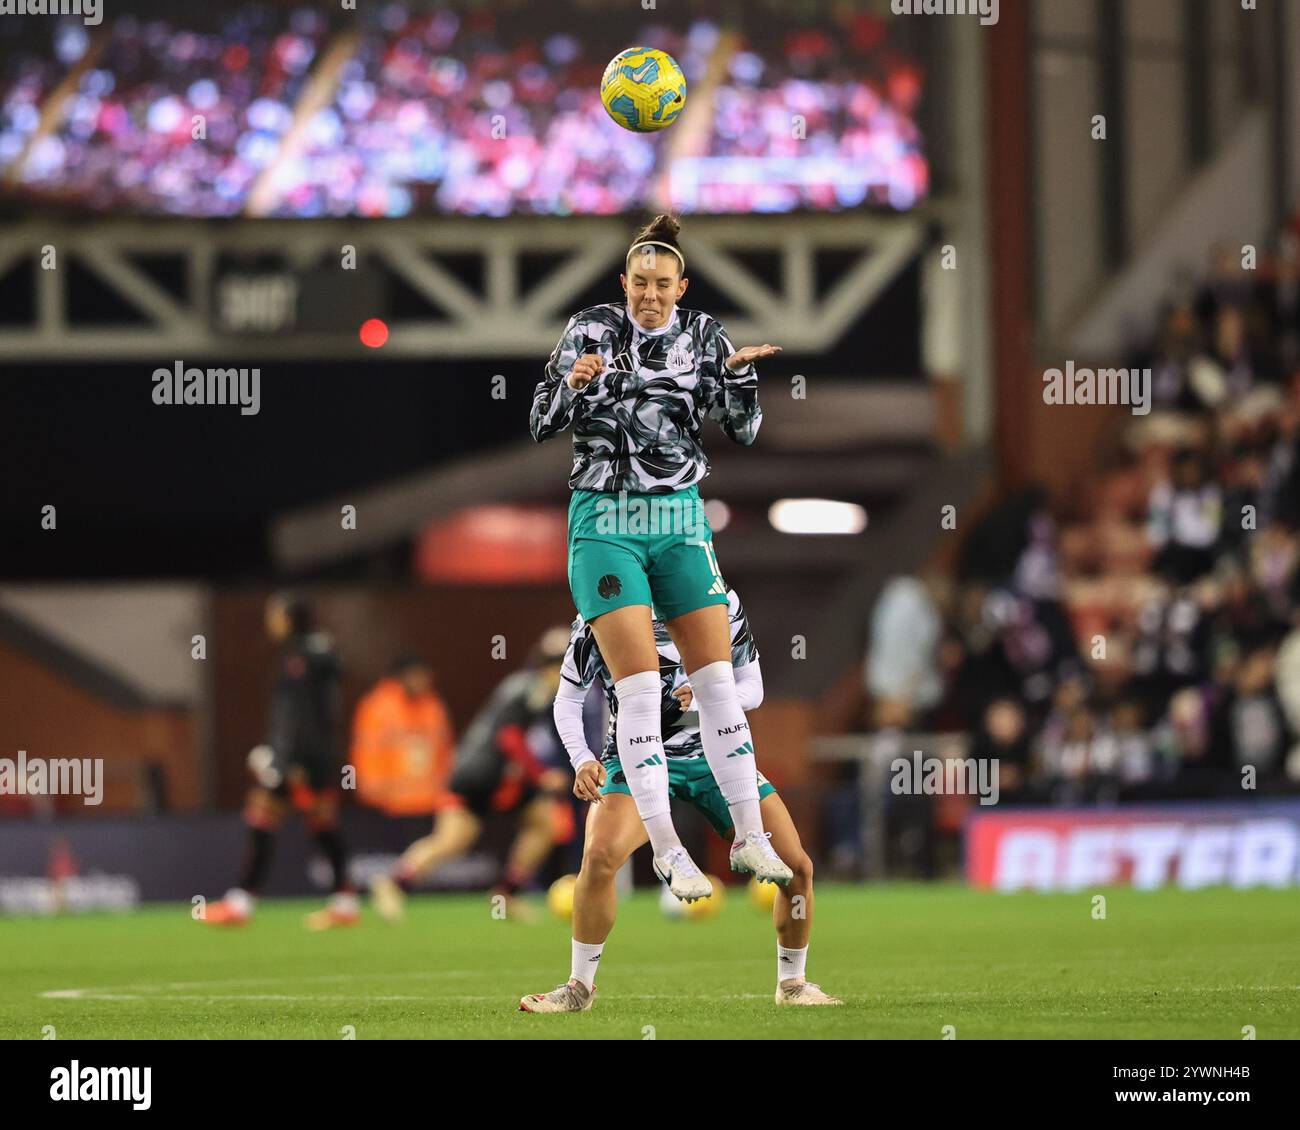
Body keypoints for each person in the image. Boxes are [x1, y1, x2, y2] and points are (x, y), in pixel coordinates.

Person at [529, 212, 791, 901]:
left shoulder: (705, 336)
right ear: (623, 283)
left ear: (682, 286)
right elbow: (539, 421)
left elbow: (746, 429)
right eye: (639, 282)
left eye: (662, 284)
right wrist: (574, 385)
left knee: (715, 684)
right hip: (606, 517)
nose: (650, 293)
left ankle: (750, 839)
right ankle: (670, 852)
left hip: (679, 516)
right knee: (642, 690)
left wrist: (737, 380)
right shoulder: (588, 330)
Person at [520, 588, 840, 1012]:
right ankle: (579, 988)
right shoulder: (605, 607)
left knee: (796, 867)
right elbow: (568, 700)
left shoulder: (718, 601)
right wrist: (581, 759)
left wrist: (710, 698)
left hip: (715, 757)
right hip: (634, 759)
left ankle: (793, 983)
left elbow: (752, 687)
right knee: (599, 856)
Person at [368, 629, 574, 922]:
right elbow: (510, 737)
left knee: (541, 822)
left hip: (483, 774)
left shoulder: (525, 685)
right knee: (456, 839)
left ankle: (503, 894)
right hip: (482, 775)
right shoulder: (534, 688)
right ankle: (396, 883)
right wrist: (540, 774)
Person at [204, 593, 358, 929]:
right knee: (323, 826)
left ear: (288, 618)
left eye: (274, 614)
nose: (270, 620)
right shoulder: (321, 651)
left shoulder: (298, 657)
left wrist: (283, 757)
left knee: (261, 818)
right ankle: (345, 902)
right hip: (320, 754)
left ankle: (240, 903)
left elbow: (297, 714)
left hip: (299, 758)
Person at [350, 655, 456, 818]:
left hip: (430, 802)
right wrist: (372, 789)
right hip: (388, 805)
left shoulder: (433, 706)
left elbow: (445, 750)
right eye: (417, 675)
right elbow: (367, 750)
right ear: (402, 676)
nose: (423, 681)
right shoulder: (378, 706)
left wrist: (447, 789)